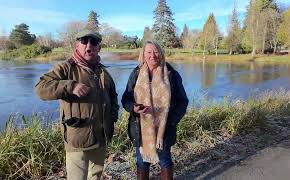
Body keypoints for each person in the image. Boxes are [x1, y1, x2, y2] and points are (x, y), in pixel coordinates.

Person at [35, 29, 119, 180]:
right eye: (84, 41)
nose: (89, 45)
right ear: (77, 45)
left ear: (98, 47)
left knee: (96, 176)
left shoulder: (103, 71)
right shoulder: (66, 67)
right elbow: (41, 88)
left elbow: (113, 96)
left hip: (101, 137)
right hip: (77, 139)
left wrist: (113, 116)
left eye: (93, 42)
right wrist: (70, 86)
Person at [121, 41, 188, 179]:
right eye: (149, 52)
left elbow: (183, 102)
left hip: (164, 129)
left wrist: (171, 122)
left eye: (156, 51)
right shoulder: (136, 73)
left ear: (161, 53)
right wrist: (133, 108)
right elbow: (126, 99)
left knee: (165, 161)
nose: (153, 55)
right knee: (142, 162)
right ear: (143, 55)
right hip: (141, 128)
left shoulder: (171, 74)